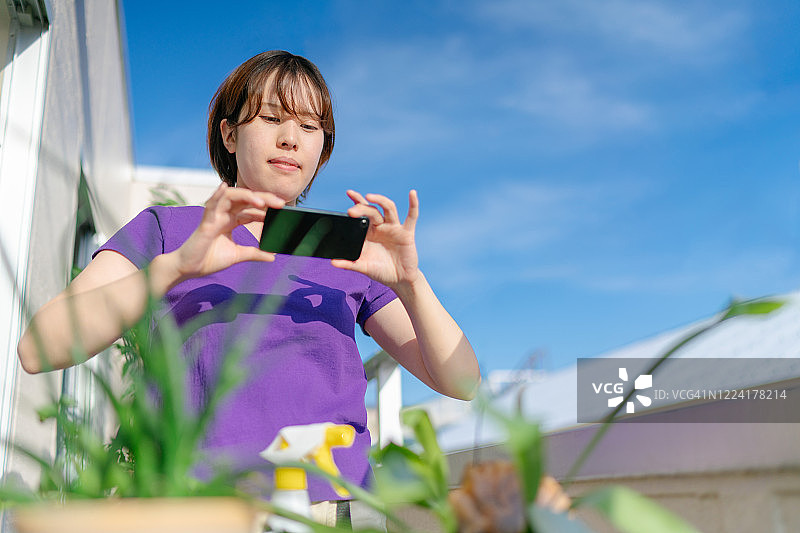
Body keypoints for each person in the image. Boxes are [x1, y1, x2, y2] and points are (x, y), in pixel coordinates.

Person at [17, 50, 481, 528]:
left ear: (323, 147)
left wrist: (410, 282)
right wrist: (175, 267)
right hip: (193, 503)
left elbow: (462, 381)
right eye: (272, 117)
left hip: (329, 508)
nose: (290, 139)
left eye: (308, 126)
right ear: (229, 133)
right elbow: (38, 348)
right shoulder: (168, 230)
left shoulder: (351, 256)